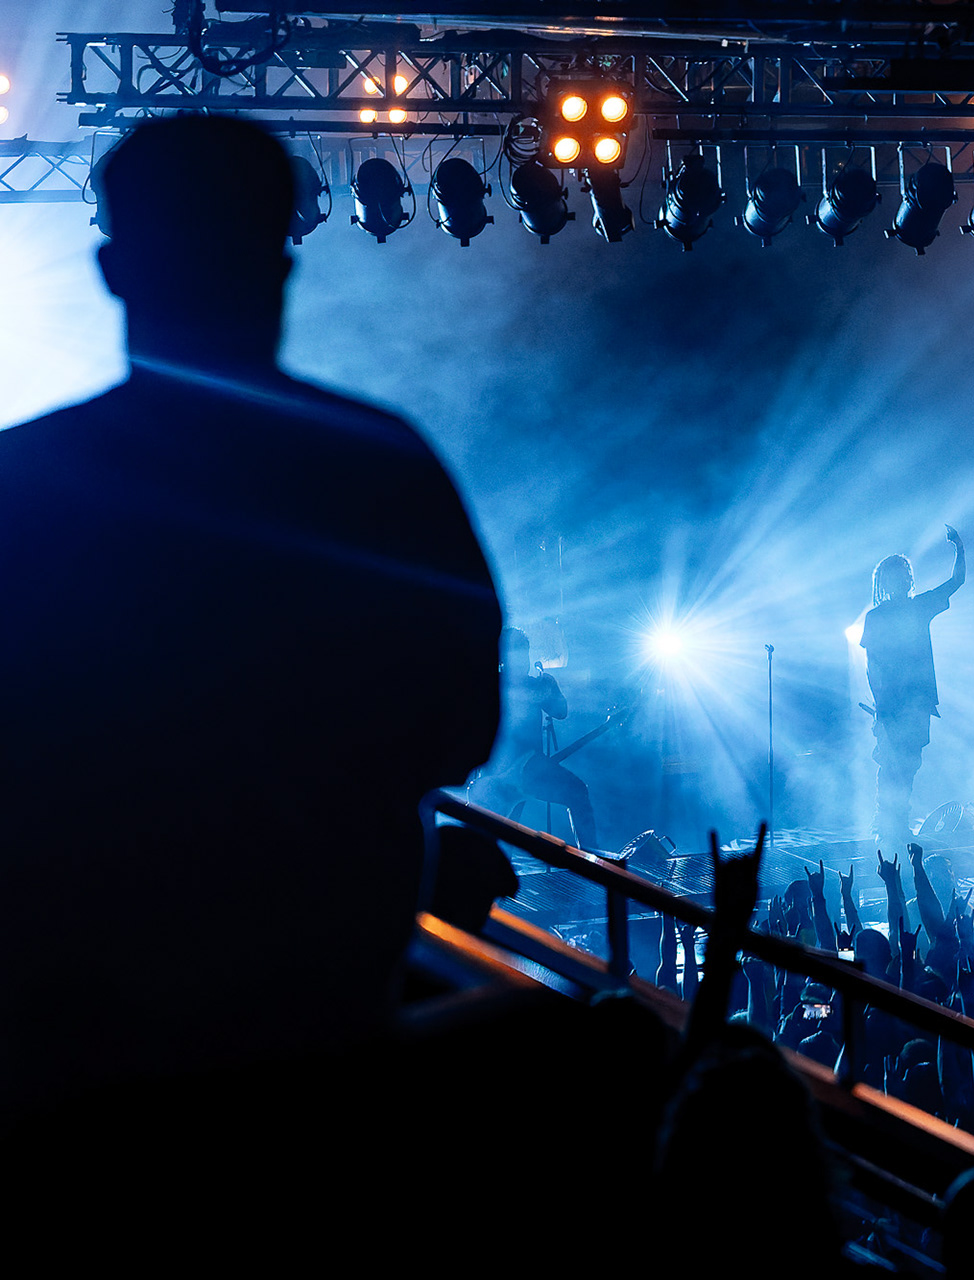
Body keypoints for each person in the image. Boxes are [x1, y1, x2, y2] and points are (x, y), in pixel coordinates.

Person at [0, 116, 501, 1113]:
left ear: (114, 269)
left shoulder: (24, 483)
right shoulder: (384, 466)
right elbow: (461, 727)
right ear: (281, 263)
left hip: (70, 1034)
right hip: (315, 1018)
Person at [860, 525, 965, 853]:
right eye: (898, 576)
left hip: (915, 704)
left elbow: (956, 582)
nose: (904, 580)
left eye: (906, 574)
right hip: (893, 706)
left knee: (908, 764)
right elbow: (871, 665)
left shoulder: (919, 607)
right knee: (893, 765)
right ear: (886, 582)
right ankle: (888, 826)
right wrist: (880, 706)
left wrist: (960, 549)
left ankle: (895, 825)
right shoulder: (876, 617)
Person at [472, 626, 598, 847]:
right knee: (503, 834)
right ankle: (593, 859)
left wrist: (551, 687)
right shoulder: (495, 683)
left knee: (576, 794)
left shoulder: (533, 684)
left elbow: (561, 712)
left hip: (529, 770)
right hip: (508, 772)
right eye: (518, 653)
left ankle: (592, 858)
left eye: (526, 653)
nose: (524, 660)